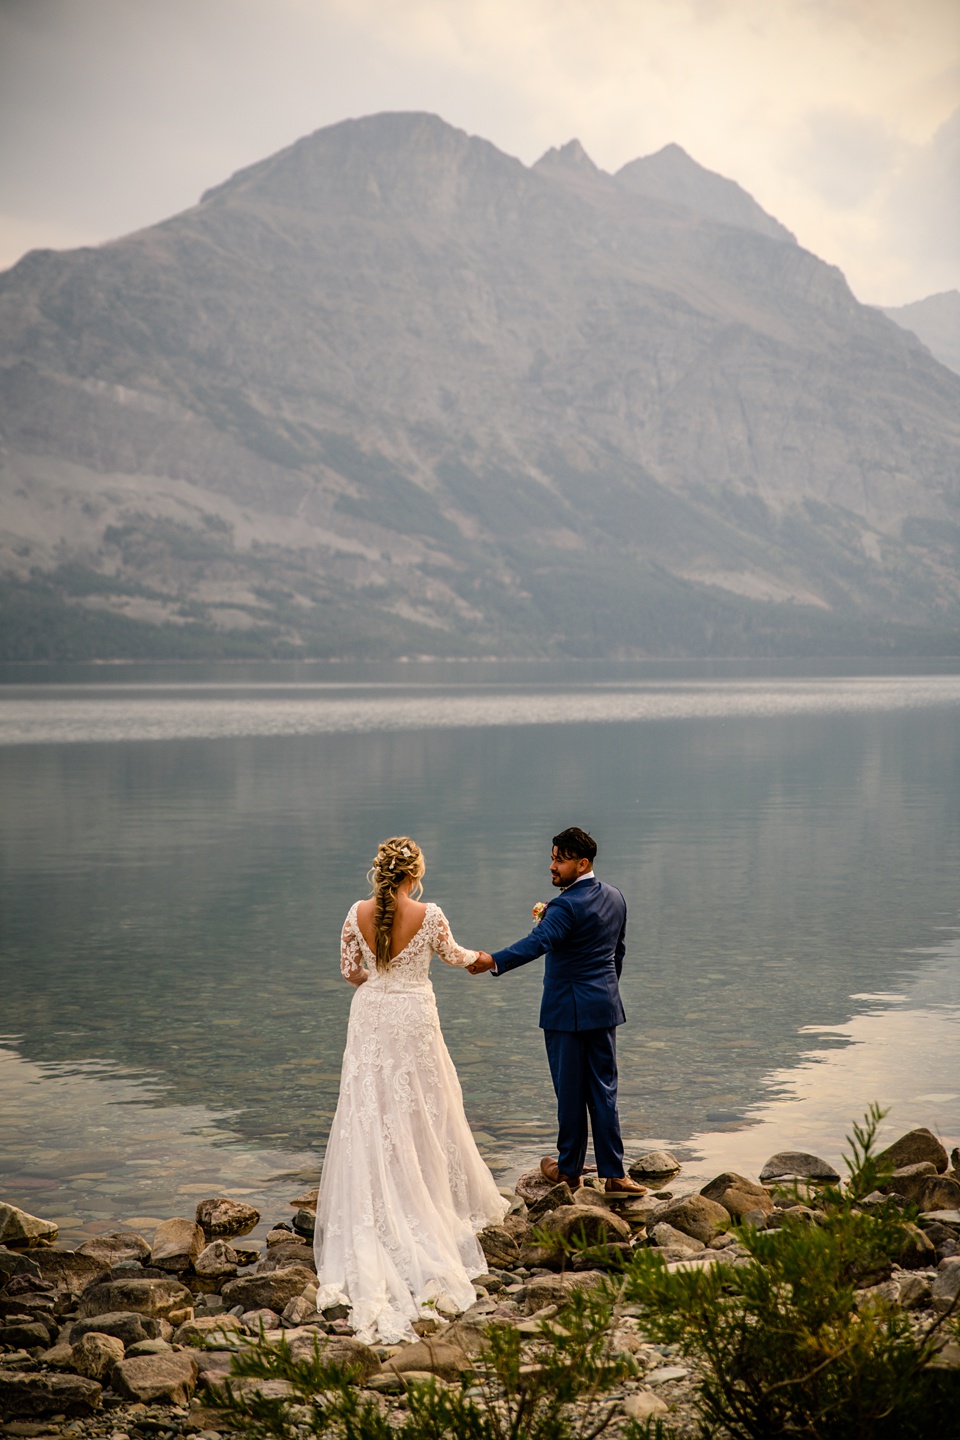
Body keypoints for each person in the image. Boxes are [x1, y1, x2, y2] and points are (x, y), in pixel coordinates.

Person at [313, 836, 508, 1345]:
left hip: (373, 1014)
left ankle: (375, 1204)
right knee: (424, 1108)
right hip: (414, 1016)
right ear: (414, 872)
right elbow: (455, 956)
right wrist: (485, 959)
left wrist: (382, 981)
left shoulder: (354, 912)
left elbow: (349, 972)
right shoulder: (429, 912)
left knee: (369, 1110)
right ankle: (424, 1199)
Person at [469, 827, 645, 1195]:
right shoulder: (615, 897)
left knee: (569, 1091)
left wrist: (492, 960)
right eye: (552, 857)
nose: (552, 866)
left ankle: (569, 1170)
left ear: (582, 863)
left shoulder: (565, 905)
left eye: (560, 860)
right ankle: (614, 1174)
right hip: (604, 1008)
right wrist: (605, 992)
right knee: (604, 1090)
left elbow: (539, 942)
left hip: (566, 1011)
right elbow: (618, 954)